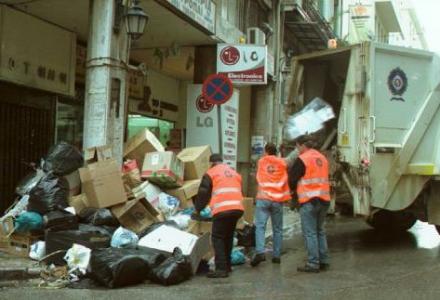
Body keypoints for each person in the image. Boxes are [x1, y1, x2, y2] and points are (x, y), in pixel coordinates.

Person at [194, 153, 244, 278]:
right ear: (221, 162)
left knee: (218, 237)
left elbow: (203, 193)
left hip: (223, 209)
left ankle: (221, 268)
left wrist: (198, 210)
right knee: (228, 236)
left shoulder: (211, 173)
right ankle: (227, 265)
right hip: (237, 209)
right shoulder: (233, 172)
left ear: (212, 163)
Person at [288, 135, 330, 273]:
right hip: (324, 200)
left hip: (309, 201)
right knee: (320, 231)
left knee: (310, 233)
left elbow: (292, 179)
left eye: (297, 147)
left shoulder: (303, 159)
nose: (297, 150)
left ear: (302, 145)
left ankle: (313, 263)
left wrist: (293, 194)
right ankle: (323, 261)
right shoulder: (322, 158)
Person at [251, 142, 290, 267]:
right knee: (277, 229)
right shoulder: (282, 163)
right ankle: (277, 256)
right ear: (276, 151)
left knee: (260, 226)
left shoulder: (261, 162)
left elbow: (258, 175)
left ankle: (260, 252)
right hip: (277, 199)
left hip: (263, 198)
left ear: (266, 151)